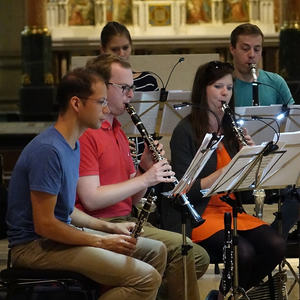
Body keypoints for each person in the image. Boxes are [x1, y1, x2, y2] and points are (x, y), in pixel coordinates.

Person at [6, 67, 168, 300]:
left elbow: (66, 210)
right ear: (76, 103)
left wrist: (109, 228)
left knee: (156, 250)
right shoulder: (49, 150)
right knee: (145, 278)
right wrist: (101, 241)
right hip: (34, 247)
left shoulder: (72, 145)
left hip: (55, 239)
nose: (105, 109)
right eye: (100, 101)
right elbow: (45, 225)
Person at [76, 53, 210, 300]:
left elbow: (133, 197)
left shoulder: (118, 130)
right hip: (101, 224)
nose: (131, 95)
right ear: (101, 87)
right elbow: (91, 199)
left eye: (132, 88)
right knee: (184, 253)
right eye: (125, 88)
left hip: (127, 218)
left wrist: (145, 169)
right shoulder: (87, 134)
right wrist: (146, 179)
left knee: (197, 257)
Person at [169, 61, 286, 299]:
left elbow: (245, 189)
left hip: (231, 211)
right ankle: (228, 295)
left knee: (276, 245)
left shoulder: (231, 129)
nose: (225, 93)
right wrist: (226, 171)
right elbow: (182, 191)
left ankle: (228, 295)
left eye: (229, 88)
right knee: (242, 253)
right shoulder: (186, 131)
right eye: (218, 86)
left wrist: (251, 159)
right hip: (200, 215)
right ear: (203, 90)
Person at [230, 23, 299, 239]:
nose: (252, 55)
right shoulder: (224, 83)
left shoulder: (274, 82)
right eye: (245, 48)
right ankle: (244, 239)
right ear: (232, 49)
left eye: (257, 49)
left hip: (273, 157)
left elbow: (293, 121)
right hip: (235, 158)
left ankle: (275, 236)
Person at [100, 21, 159, 92]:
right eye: (114, 49)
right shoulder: (95, 81)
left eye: (125, 48)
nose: (121, 54)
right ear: (103, 50)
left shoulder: (147, 80)